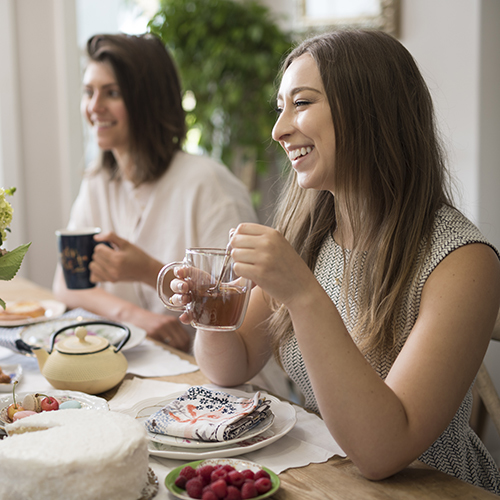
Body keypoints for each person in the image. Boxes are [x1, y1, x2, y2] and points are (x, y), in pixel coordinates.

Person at [170, 30, 500, 493]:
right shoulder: (309, 232)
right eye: (280, 106)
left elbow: (384, 451)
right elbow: (232, 366)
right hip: (329, 476)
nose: (279, 129)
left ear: (370, 111)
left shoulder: (462, 261)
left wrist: (303, 294)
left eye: (301, 103)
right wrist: (212, 310)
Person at [53, 33, 258, 352]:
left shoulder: (209, 185)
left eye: (112, 93)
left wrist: (149, 271)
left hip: (214, 373)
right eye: (89, 92)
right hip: (143, 363)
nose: (94, 107)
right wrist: (137, 318)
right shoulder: (98, 182)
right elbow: (66, 286)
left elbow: (238, 302)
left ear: (147, 101)